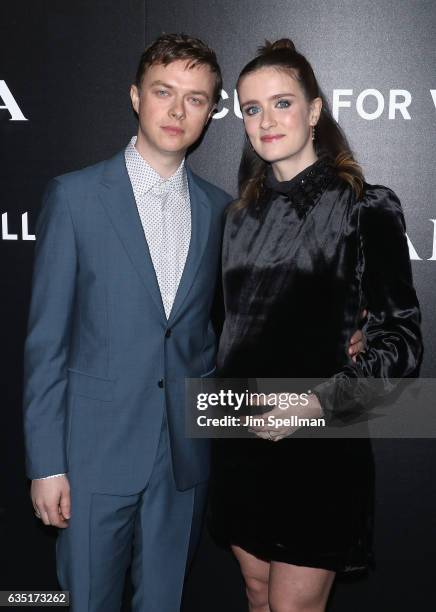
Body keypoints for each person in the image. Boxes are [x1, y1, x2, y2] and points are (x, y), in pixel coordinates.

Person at [208, 39, 423, 612]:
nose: (266, 120)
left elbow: (402, 344)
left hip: (318, 447)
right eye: (251, 109)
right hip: (238, 441)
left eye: (282, 103)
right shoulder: (235, 219)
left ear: (315, 110)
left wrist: (315, 403)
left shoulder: (364, 206)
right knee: (256, 593)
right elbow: (223, 332)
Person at [22, 33, 232, 612]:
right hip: (91, 459)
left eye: (195, 98)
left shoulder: (219, 209)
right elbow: (46, 342)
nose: (177, 110)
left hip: (184, 462)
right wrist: (47, 465)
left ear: (211, 112)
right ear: (136, 96)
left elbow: (216, 331)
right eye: (164, 91)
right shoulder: (76, 197)